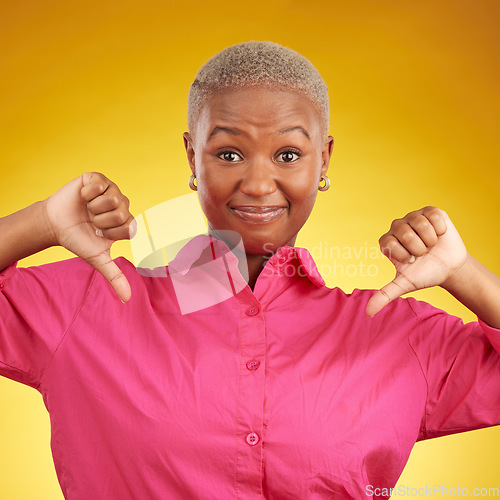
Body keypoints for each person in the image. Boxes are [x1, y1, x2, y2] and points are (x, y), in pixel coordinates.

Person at [0, 41, 499, 499]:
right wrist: (41, 220)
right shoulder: (91, 305)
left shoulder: (394, 333)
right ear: (193, 157)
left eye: (288, 154)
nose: (259, 183)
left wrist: (463, 271)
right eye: (229, 153)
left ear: (323, 160)